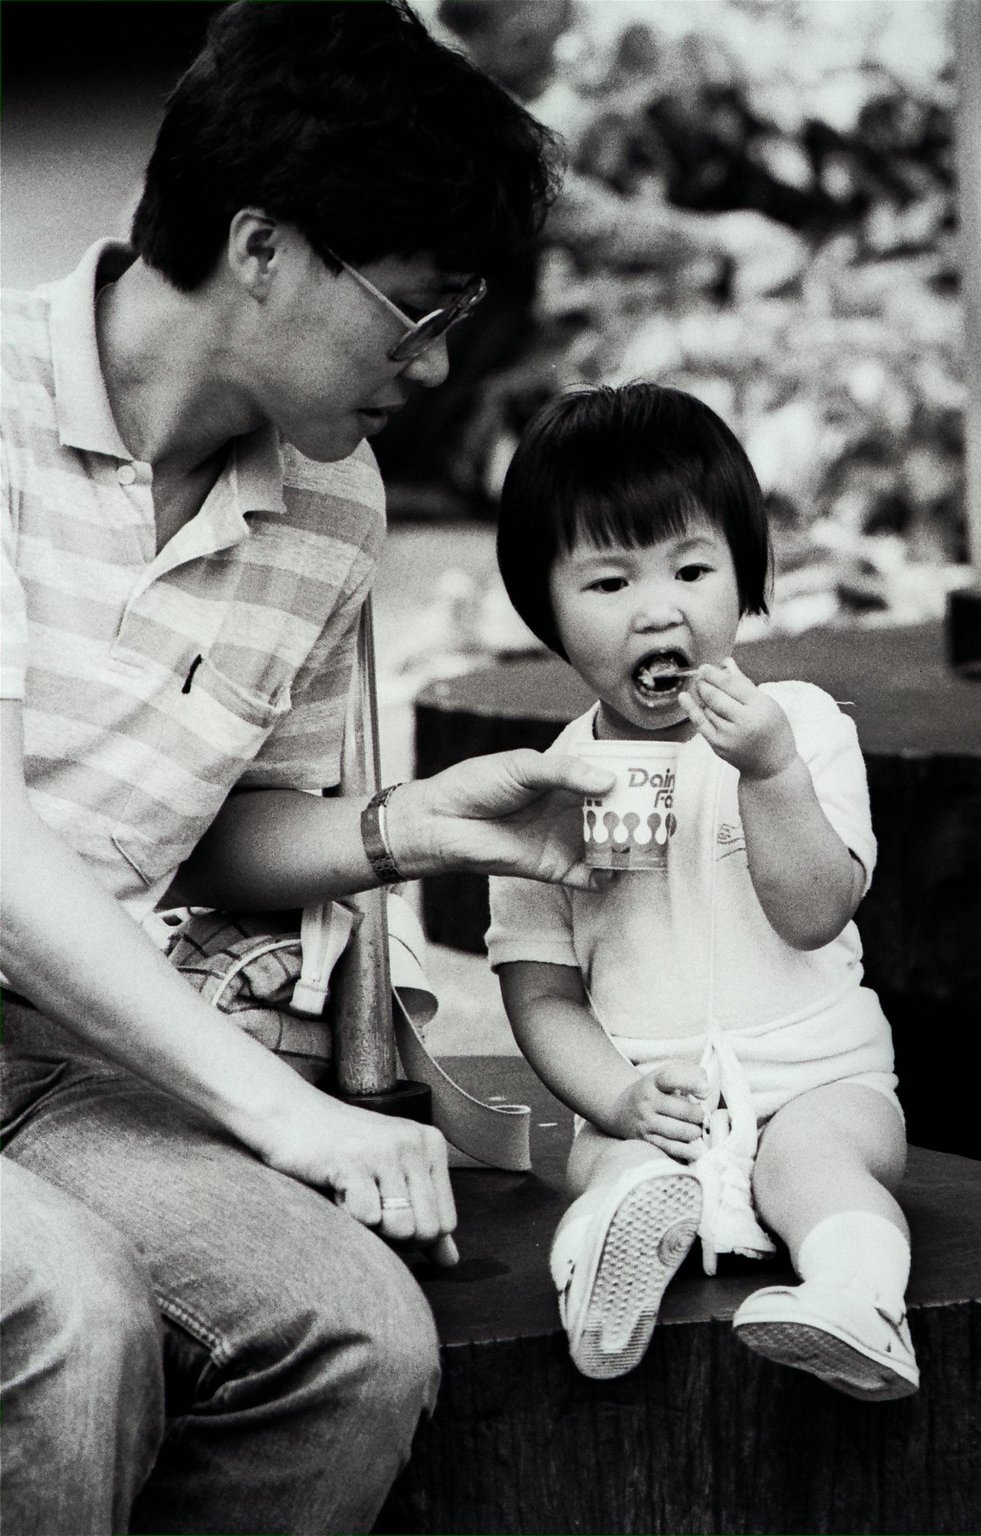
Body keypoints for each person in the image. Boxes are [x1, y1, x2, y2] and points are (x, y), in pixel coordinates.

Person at [0, 5, 620, 1533]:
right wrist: (289, 1118)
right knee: (73, 1318)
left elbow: (208, 833)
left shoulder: (331, 508)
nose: (440, 361)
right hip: (81, 1026)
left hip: (52, 1058)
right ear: (263, 246)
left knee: (354, 1340)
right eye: (416, 308)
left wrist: (406, 829)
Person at [487, 381, 919, 1401]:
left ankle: (859, 1305)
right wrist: (619, 1099)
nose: (658, 608)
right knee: (611, 1173)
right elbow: (539, 994)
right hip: (654, 1097)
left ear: (743, 577)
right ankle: (604, 1282)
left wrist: (767, 773)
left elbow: (815, 911)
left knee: (811, 1166)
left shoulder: (799, 727)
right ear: (543, 610)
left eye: (690, 568)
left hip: (822, 1079)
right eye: (607, 583)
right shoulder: (550, 786)